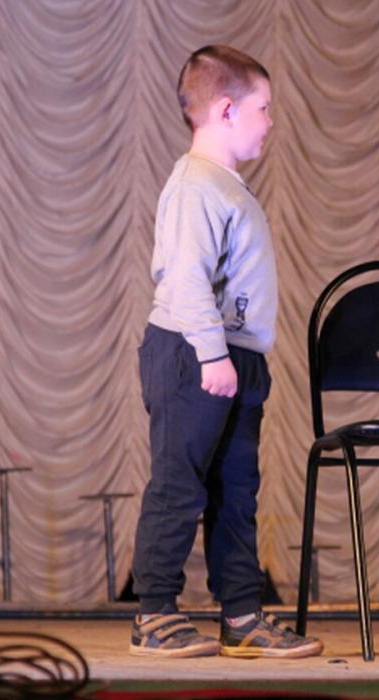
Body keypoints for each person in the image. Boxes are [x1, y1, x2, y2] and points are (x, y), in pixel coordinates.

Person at [129, 45, 322, 659]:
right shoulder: (195, 186)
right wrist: (212, 356)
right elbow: (186, 279)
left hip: (234, 357)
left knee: (236, 492)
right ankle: (154, 612)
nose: (270, 120)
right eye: (263, 108)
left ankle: (241, 614)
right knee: (179, 485)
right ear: (227, 109)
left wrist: (233, 359)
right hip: (193, 352)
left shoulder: (226, 187)